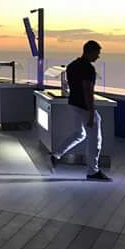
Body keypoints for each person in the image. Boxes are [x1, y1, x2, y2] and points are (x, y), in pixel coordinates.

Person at [51, 40, 111, 181]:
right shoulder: (88, 69)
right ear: (90, 52)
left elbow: (73, 86)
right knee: (95, 139)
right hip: (84, 107)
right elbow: (87, 91)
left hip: (73, 104)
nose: (98, 56)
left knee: (79, 133)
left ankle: (56, 154)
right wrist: (91, 113)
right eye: (97, 53)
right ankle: (93, 171)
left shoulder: (72, 65)